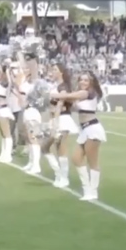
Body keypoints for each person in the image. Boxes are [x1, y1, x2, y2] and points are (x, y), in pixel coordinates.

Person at [50, 71, 107, 201]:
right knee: (76, 159)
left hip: (92, 128)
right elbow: (70, 99)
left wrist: (56, 95)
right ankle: (87, 189)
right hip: (84, 129)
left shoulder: (87, 92)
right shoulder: (81, 94)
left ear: (91, 82)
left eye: (86, 80)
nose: (82, 82)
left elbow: (70, 96)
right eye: (81, 80)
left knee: (93, 162)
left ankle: (93, 191)